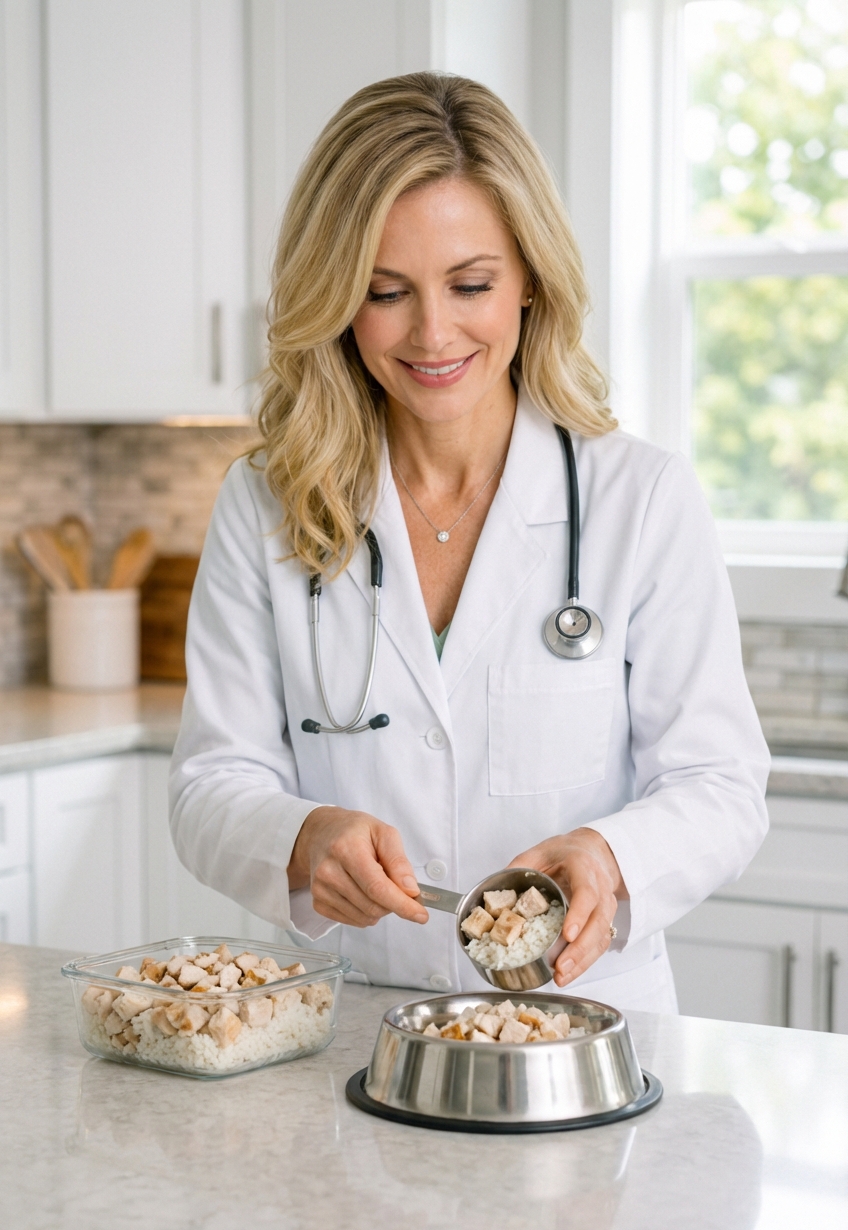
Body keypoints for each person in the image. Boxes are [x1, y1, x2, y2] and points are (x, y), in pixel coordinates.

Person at [169, 72, 770, 1012]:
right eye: (385, 291)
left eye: (471, 284)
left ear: (529, 279)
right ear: (335, 300)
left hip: (584, 1034)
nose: (433, 332)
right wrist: (299, 836)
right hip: (356, 1029)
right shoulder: (266, 505)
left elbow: (720, 786)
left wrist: (613, 855)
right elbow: (211, 783)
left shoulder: (640, 498)